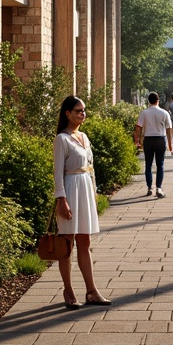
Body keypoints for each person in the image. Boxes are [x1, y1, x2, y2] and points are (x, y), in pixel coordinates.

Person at [53, 95, 111, 310]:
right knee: (67, 244)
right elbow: (58, 173)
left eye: (84, 110)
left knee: (85, 242)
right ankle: (68, 290)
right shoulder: (62, 139)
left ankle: (92, 291)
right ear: (67, 113)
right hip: (70, 189)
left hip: (85, 189)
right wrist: (61, 200)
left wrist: (94, 193)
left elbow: (90, 167)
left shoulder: (84, 137)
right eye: (78, 111)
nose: (82, 114)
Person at [134, 92, 173, 197]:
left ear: (149, 101)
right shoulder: (164, 113)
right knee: (160, 165)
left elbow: (138, 128)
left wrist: (137, 141)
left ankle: (149, 187)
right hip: (161, 139)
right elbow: (169, 130)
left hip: (148, 140)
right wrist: (170, 145)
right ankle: (159, 188)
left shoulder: (144, 113)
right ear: (158, 100)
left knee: (148, 164)